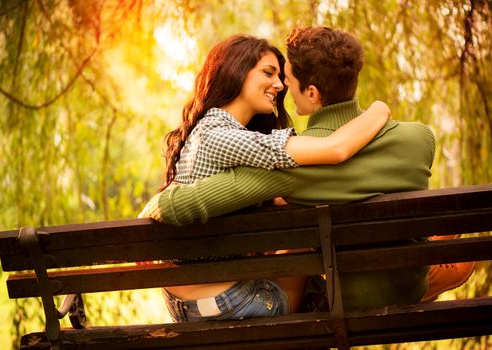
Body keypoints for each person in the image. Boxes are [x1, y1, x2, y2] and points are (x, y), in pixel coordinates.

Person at [141, 27, 471, 319]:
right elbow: (342, 155)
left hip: (340, 301)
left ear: (311, 93)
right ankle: (429, 273)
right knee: (311, 230)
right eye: (271, 74)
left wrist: (155, 205)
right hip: (403, 285)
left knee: (307, 231)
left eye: (286, 78)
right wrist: (380, 109)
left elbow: (178, 205)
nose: (281, 85)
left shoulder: (291, 168)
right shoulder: (421, 138)